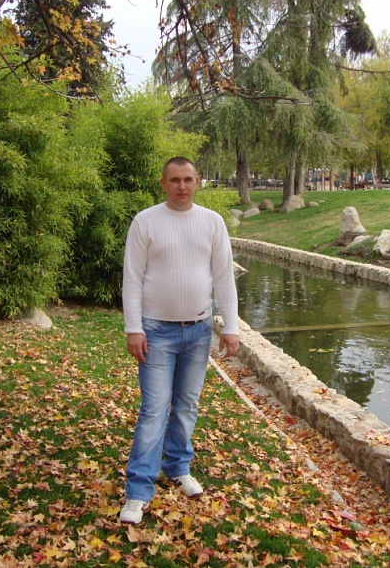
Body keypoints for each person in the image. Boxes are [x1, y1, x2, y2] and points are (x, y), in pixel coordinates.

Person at [119, 156, 240, 525]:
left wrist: (231, 327)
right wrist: (133, 327)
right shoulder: (145, 221)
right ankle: (138, 490)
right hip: (156, 332)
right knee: (154, 410)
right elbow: (132, 278)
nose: (182, 186)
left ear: (197, 182)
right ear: (163, 183)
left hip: (198, 330)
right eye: (175, 180)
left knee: (186, 405)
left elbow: (224, 277)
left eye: (188, 179)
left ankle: (178, 466)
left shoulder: (212, 222)